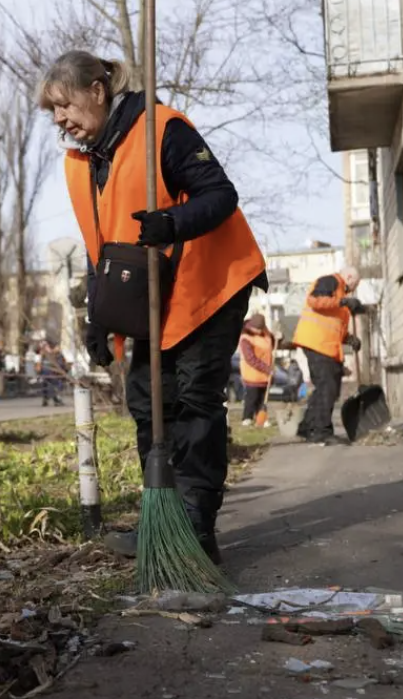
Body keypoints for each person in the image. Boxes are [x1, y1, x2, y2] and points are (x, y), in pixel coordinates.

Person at [40, 50, 268, 564]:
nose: (59, 119)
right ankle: (162, 523)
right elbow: (99, 247)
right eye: (52, 111)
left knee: (193, 400)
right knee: (147, 403)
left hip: (209, 284)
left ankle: (195, 532)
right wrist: (97, 315)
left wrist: (173, 223)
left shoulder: (161, 129)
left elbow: (220, 195)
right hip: (153, 297)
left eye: (64, 104)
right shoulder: (83, 165)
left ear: (97, 91)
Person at [293, 266, 366, 444]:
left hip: (325, 345)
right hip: (316, 342)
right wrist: (343, 302)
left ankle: (308, 427)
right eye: (355, 285)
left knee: (327, 388)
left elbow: (333, 326)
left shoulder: (339, 294)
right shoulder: (330, 281)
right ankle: (321, 432)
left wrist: (349, 339)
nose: (353, 289)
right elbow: (315, 301)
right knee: (327, 387)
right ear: (349, 277)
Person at [238, 314, 276, 427]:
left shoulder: (266, 333)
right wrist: (267, 369)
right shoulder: (246, 338)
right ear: (251, 326)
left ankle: (261, 418)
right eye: (256, 329)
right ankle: (247, 418)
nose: (259, 331)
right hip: (252, 374)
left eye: (260, 328)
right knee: (252, 398)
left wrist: (280, 337)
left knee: (263, 399)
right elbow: (250, 358)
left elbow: (273, 343)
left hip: (265, 375)